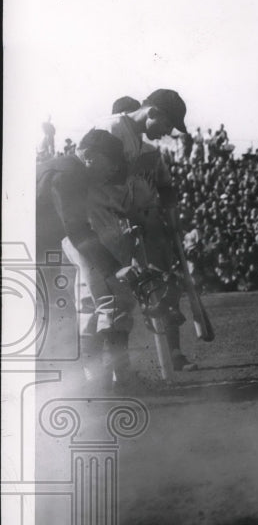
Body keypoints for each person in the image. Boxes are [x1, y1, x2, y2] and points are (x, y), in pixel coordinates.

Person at [36, 129, 153, 391]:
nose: (111, 173)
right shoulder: (69, 174)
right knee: (47, 318)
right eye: (110, 165)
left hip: (35, 248)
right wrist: (115, 268)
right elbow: (76, 230)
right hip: (25, 248)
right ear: (90, 156)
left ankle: (65, 389)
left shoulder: (70, 171)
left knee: (53, 317)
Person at [92, 88, 195, 371]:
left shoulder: (146, 148)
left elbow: (166, 185)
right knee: (119, 296)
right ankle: (113, 373)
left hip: (144, 222)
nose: (165, 132)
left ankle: (171, 353)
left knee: (161, 288)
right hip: (119, 221)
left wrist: (171, 219)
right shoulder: (115, 133)